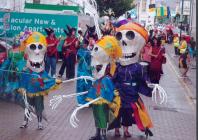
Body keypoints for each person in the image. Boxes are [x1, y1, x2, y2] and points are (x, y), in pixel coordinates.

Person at [76, 40, 92, 105]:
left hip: (88, 72)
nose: (82, 45)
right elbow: (78, 61)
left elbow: (91, 63)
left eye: (84, 43)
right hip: (81, 72)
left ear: (86, 44)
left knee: (88, 86)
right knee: (80, 86)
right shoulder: (79, 51)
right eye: (82, 43)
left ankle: (88, 100)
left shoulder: (89, 52)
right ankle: (80, 102)